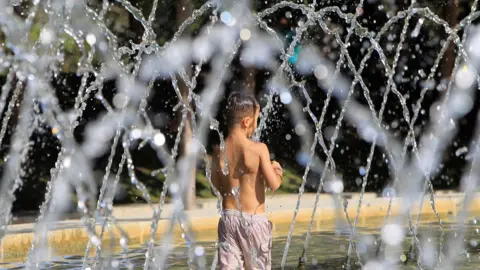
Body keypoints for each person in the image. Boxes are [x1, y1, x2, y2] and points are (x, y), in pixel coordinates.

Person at [211, 92, 283, 270]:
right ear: (246, 121)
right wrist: (277, 170)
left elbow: (216, 185)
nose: (256, 126)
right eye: (256, 120)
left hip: (228, 220)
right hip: (254, 222)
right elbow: (274, 184)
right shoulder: (258, 149)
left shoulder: (218, 150)